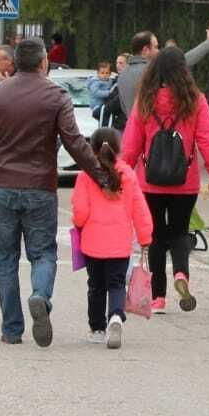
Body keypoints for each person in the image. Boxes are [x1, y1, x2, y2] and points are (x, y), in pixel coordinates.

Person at [0, 38, 105, 346]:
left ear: (15, 63)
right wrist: (101, 175)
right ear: (44, 63)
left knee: (5, 259)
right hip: (41, 186)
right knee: (43, 253)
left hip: (2, 186)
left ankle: (11, 329)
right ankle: (40, 295)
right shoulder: (56, 96)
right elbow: (74, 142)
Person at [117, 46, 209, 315]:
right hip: (183, 181)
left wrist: (118, 175)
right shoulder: (195, 100)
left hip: (149, 181)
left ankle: (158, 298)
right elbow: (208, 142)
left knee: (154, 236)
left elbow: (131, 144)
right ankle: (181, 276)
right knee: (178, 232)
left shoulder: (145, 99)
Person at [72, 127, 151, 349]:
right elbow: (140, 209)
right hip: (120, 244)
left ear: (92, 149)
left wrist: (79, 225)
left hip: (93, 244)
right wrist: (145, 236)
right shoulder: (128, 175)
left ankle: (97, 327)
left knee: (96, 285)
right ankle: (116, 316)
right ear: (118, 149)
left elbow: (80, 212)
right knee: (116, 284)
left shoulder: (86, 176)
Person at [114, 19, 209, 119]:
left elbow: (124, 107)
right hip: (154, 132)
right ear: (145, 50)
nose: (159, 51)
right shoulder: (153, 69)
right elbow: (184, 60)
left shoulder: (122, 75)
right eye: (156, 47)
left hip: (132, 130)